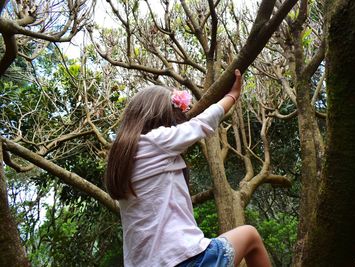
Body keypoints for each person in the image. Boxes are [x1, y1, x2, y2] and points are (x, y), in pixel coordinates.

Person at [105, 69, 272, 267]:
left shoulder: (122, 158)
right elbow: (201, 124)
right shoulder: (156, 141)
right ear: (159, 116)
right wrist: (231, 96)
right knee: (249, 235)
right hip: (184, 260)